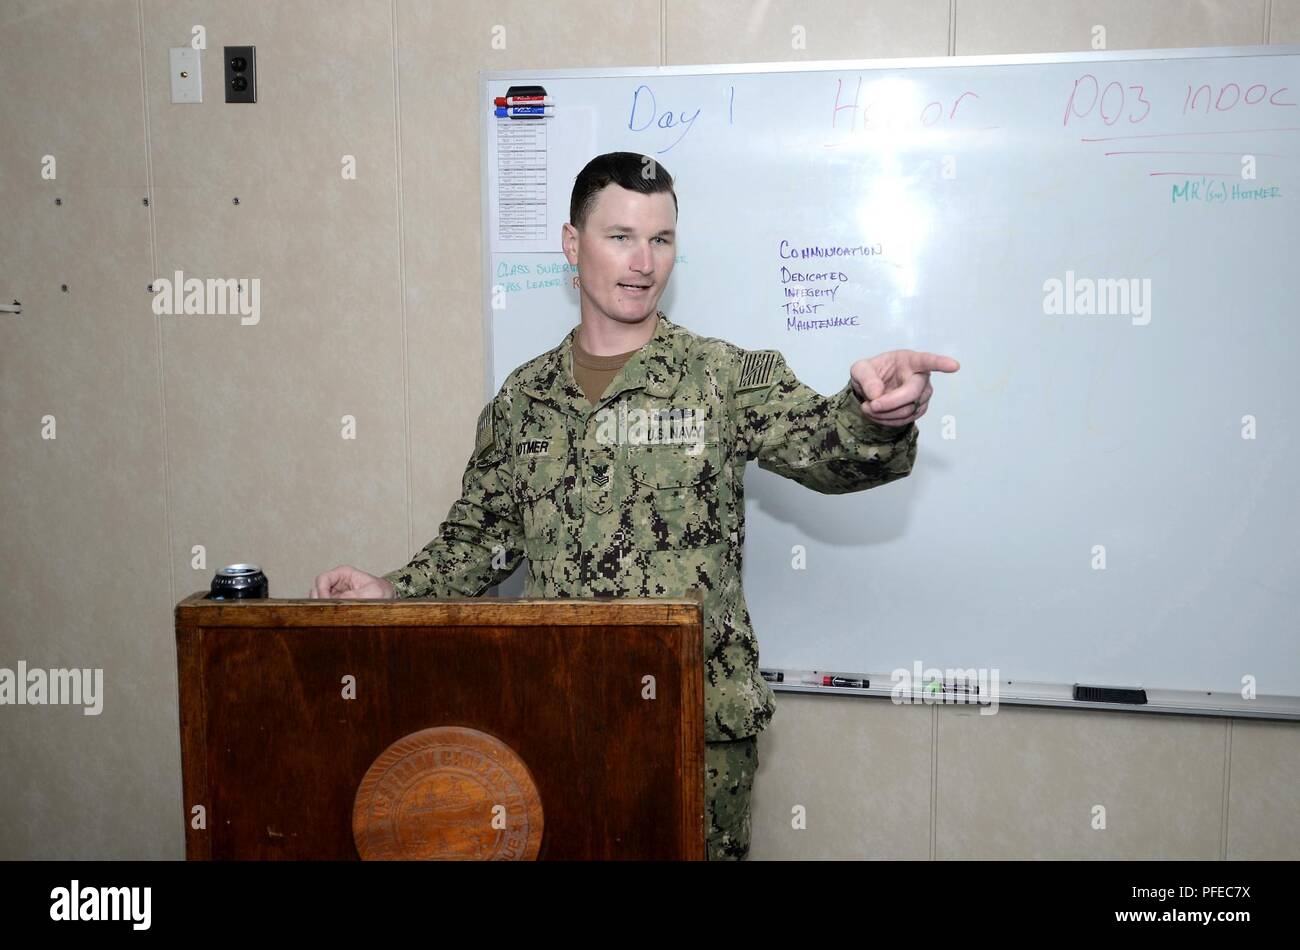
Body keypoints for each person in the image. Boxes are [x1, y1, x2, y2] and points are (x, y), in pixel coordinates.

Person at [312, 151, 959, 860]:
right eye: (620, 236)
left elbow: (828, 447)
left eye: (661, 239)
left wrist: (878, 415)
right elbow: (480, 543)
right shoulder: (522, 403)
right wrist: (393, 589)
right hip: (554, 720)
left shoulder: (723, 379)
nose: (643, 261)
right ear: (571, 244)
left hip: (691, 730)